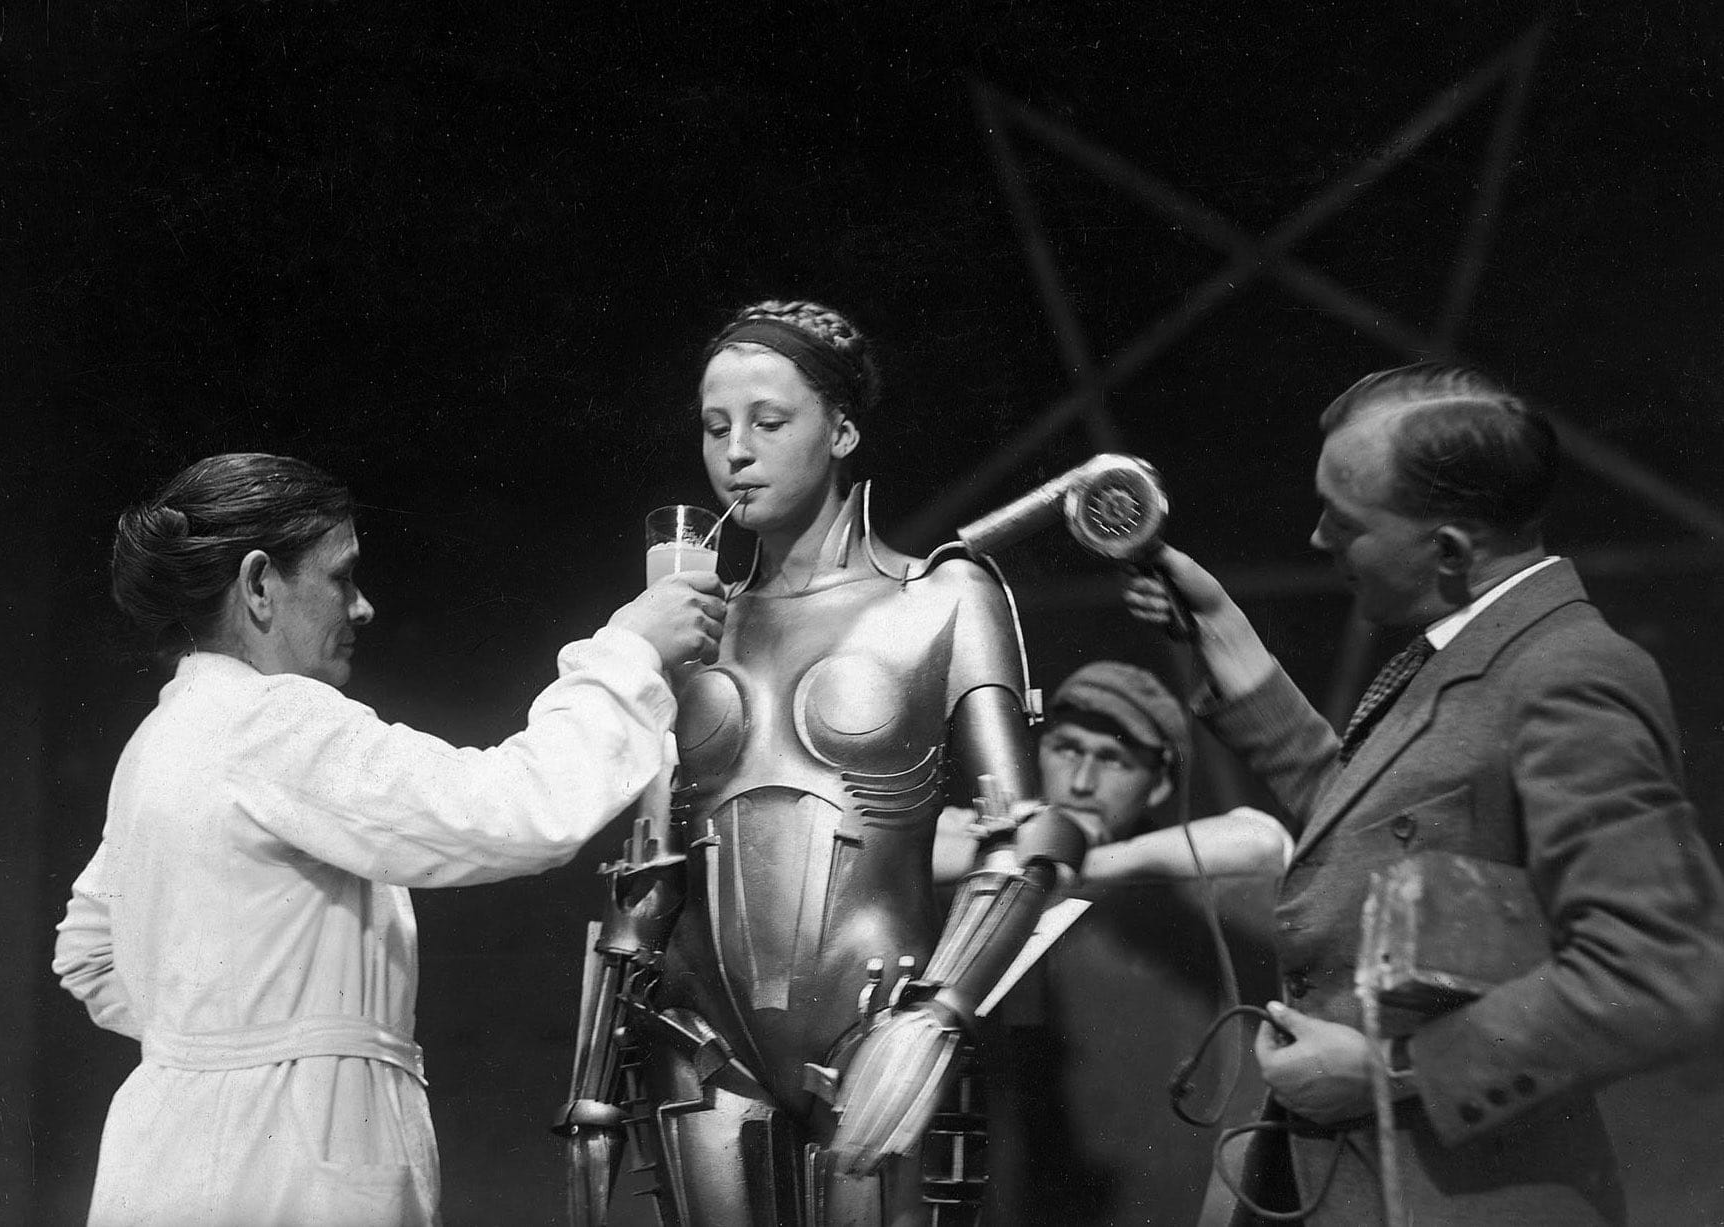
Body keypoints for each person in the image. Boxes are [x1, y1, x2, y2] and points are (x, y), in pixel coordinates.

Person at [52, 452, 726, 1227]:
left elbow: (88, 950)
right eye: (342, 577)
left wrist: (216, 1035)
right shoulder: (271, 724)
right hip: (282, 1168)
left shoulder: (163, 738)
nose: (364, 607)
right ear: (260, 585)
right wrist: (629, 649)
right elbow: (514, 808)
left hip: (167, 1157)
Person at [1122, 363, 1724, 1226]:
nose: (1319, 538)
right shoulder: (1473, 652)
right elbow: (1374, 827)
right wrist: (1230, 642)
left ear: (1448, 549)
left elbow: (1664, 970)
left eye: (1345, 519)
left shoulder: (1570, 675)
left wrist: (1389, 1069)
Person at [556, 300, 1091, 1227]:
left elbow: (1022, 839)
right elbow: (647, 867)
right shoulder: (689, 621)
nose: (736, 451)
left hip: (880, 1027)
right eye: (716, 426)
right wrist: (592, 1088)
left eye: (770, 422)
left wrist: (937, 1017)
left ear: (842, 429)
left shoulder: (944, 595)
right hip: (699, 1044)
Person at [934, 660, 1289, 1225]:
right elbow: (916, 847)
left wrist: (1082, 858)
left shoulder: (1166, 871)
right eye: (1066, 748)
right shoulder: (991, 835)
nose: (1080, 781)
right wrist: (1013, 852)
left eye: (1113, 759)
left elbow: (1265, 841)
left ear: (1162, 783)